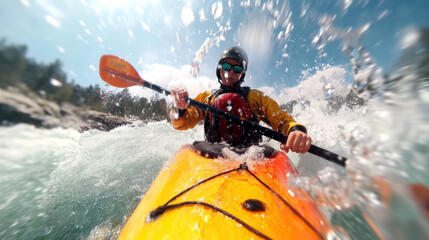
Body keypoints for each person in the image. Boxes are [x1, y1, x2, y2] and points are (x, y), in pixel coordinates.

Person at [169, 46, 311, 154]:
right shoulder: (207, 98)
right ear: (219, 69)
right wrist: (180, 109)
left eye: (237, 69)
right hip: (212, 150)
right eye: (226, 66)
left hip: (251, 153)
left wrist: (296, 131)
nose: (230, 72)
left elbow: (281, 119)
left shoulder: (255, 97)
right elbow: (182, 124)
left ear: (242, 74)